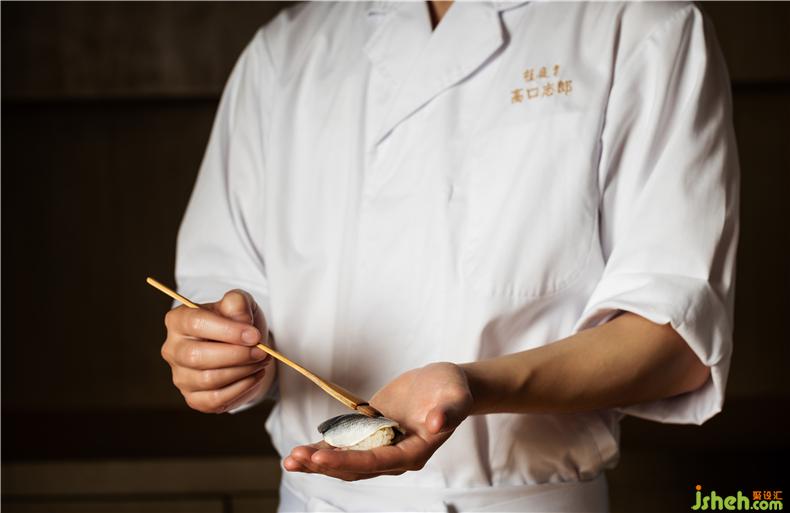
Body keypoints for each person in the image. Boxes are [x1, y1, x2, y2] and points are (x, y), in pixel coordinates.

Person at [160, 1, 739, 511]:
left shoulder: (642, 24)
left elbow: (678, 342)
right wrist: (218, 358)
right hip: (315, 499)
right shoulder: (283, 51)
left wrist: (472, 385)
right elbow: (222, 297)